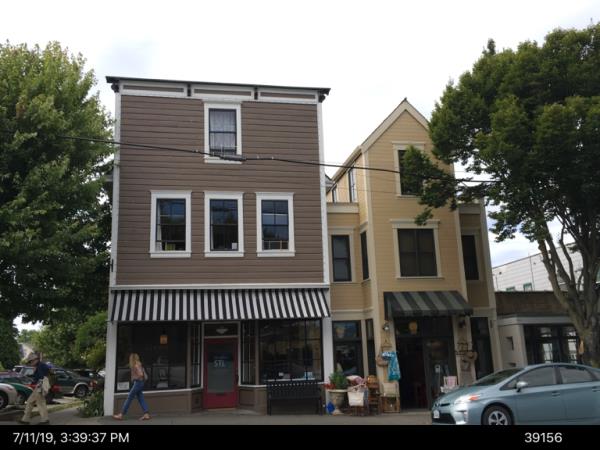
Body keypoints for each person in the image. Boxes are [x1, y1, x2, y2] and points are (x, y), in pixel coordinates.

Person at [113, 353, 150, 421]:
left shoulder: (136, 365)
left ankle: (121, 414)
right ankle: (146, 414)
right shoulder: (139, 364)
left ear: (132, 359)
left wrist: (134, 378)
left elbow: (141, 374)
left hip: (138, 383)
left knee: (129, 398)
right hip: (140, 383)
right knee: (141, 398)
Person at [19, 352, 50, 425]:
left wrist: (37, 384)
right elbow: (39, 376)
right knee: (31, 402)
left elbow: (41, 377)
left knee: (40, 403)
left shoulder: (40, 366)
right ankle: (25, 420)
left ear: (35, 360)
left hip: (40, 385)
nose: (30, 363)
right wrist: (31, 375)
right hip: (41, 385)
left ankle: (45, 420)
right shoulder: (40, 365)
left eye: (30, 362)